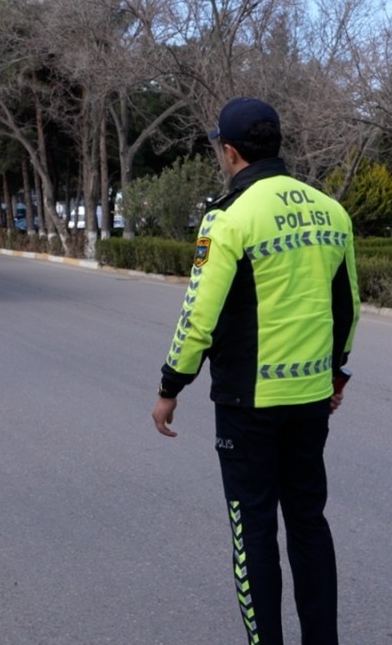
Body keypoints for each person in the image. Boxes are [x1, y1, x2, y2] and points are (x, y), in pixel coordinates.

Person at [150, 97, 360, 645]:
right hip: (311, 399)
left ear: (230, 152)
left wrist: (171, 385)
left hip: (248, 406)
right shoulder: (331, 211)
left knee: (254, 534)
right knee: (309, 524)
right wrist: (336, 375)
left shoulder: (228, 217)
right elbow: (348, 308)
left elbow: (199, 315)